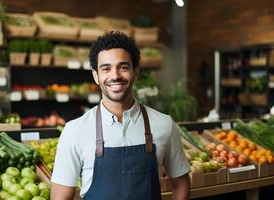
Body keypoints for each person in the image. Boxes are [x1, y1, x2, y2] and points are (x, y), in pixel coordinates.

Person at [50, 31, 191, 200]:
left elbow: (182, 183)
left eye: (123, 67)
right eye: (106, 68)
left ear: (136, 72)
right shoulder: (74, 131)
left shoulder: (164, 125)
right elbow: (59, 198)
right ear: (96, 76)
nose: (115, 76)